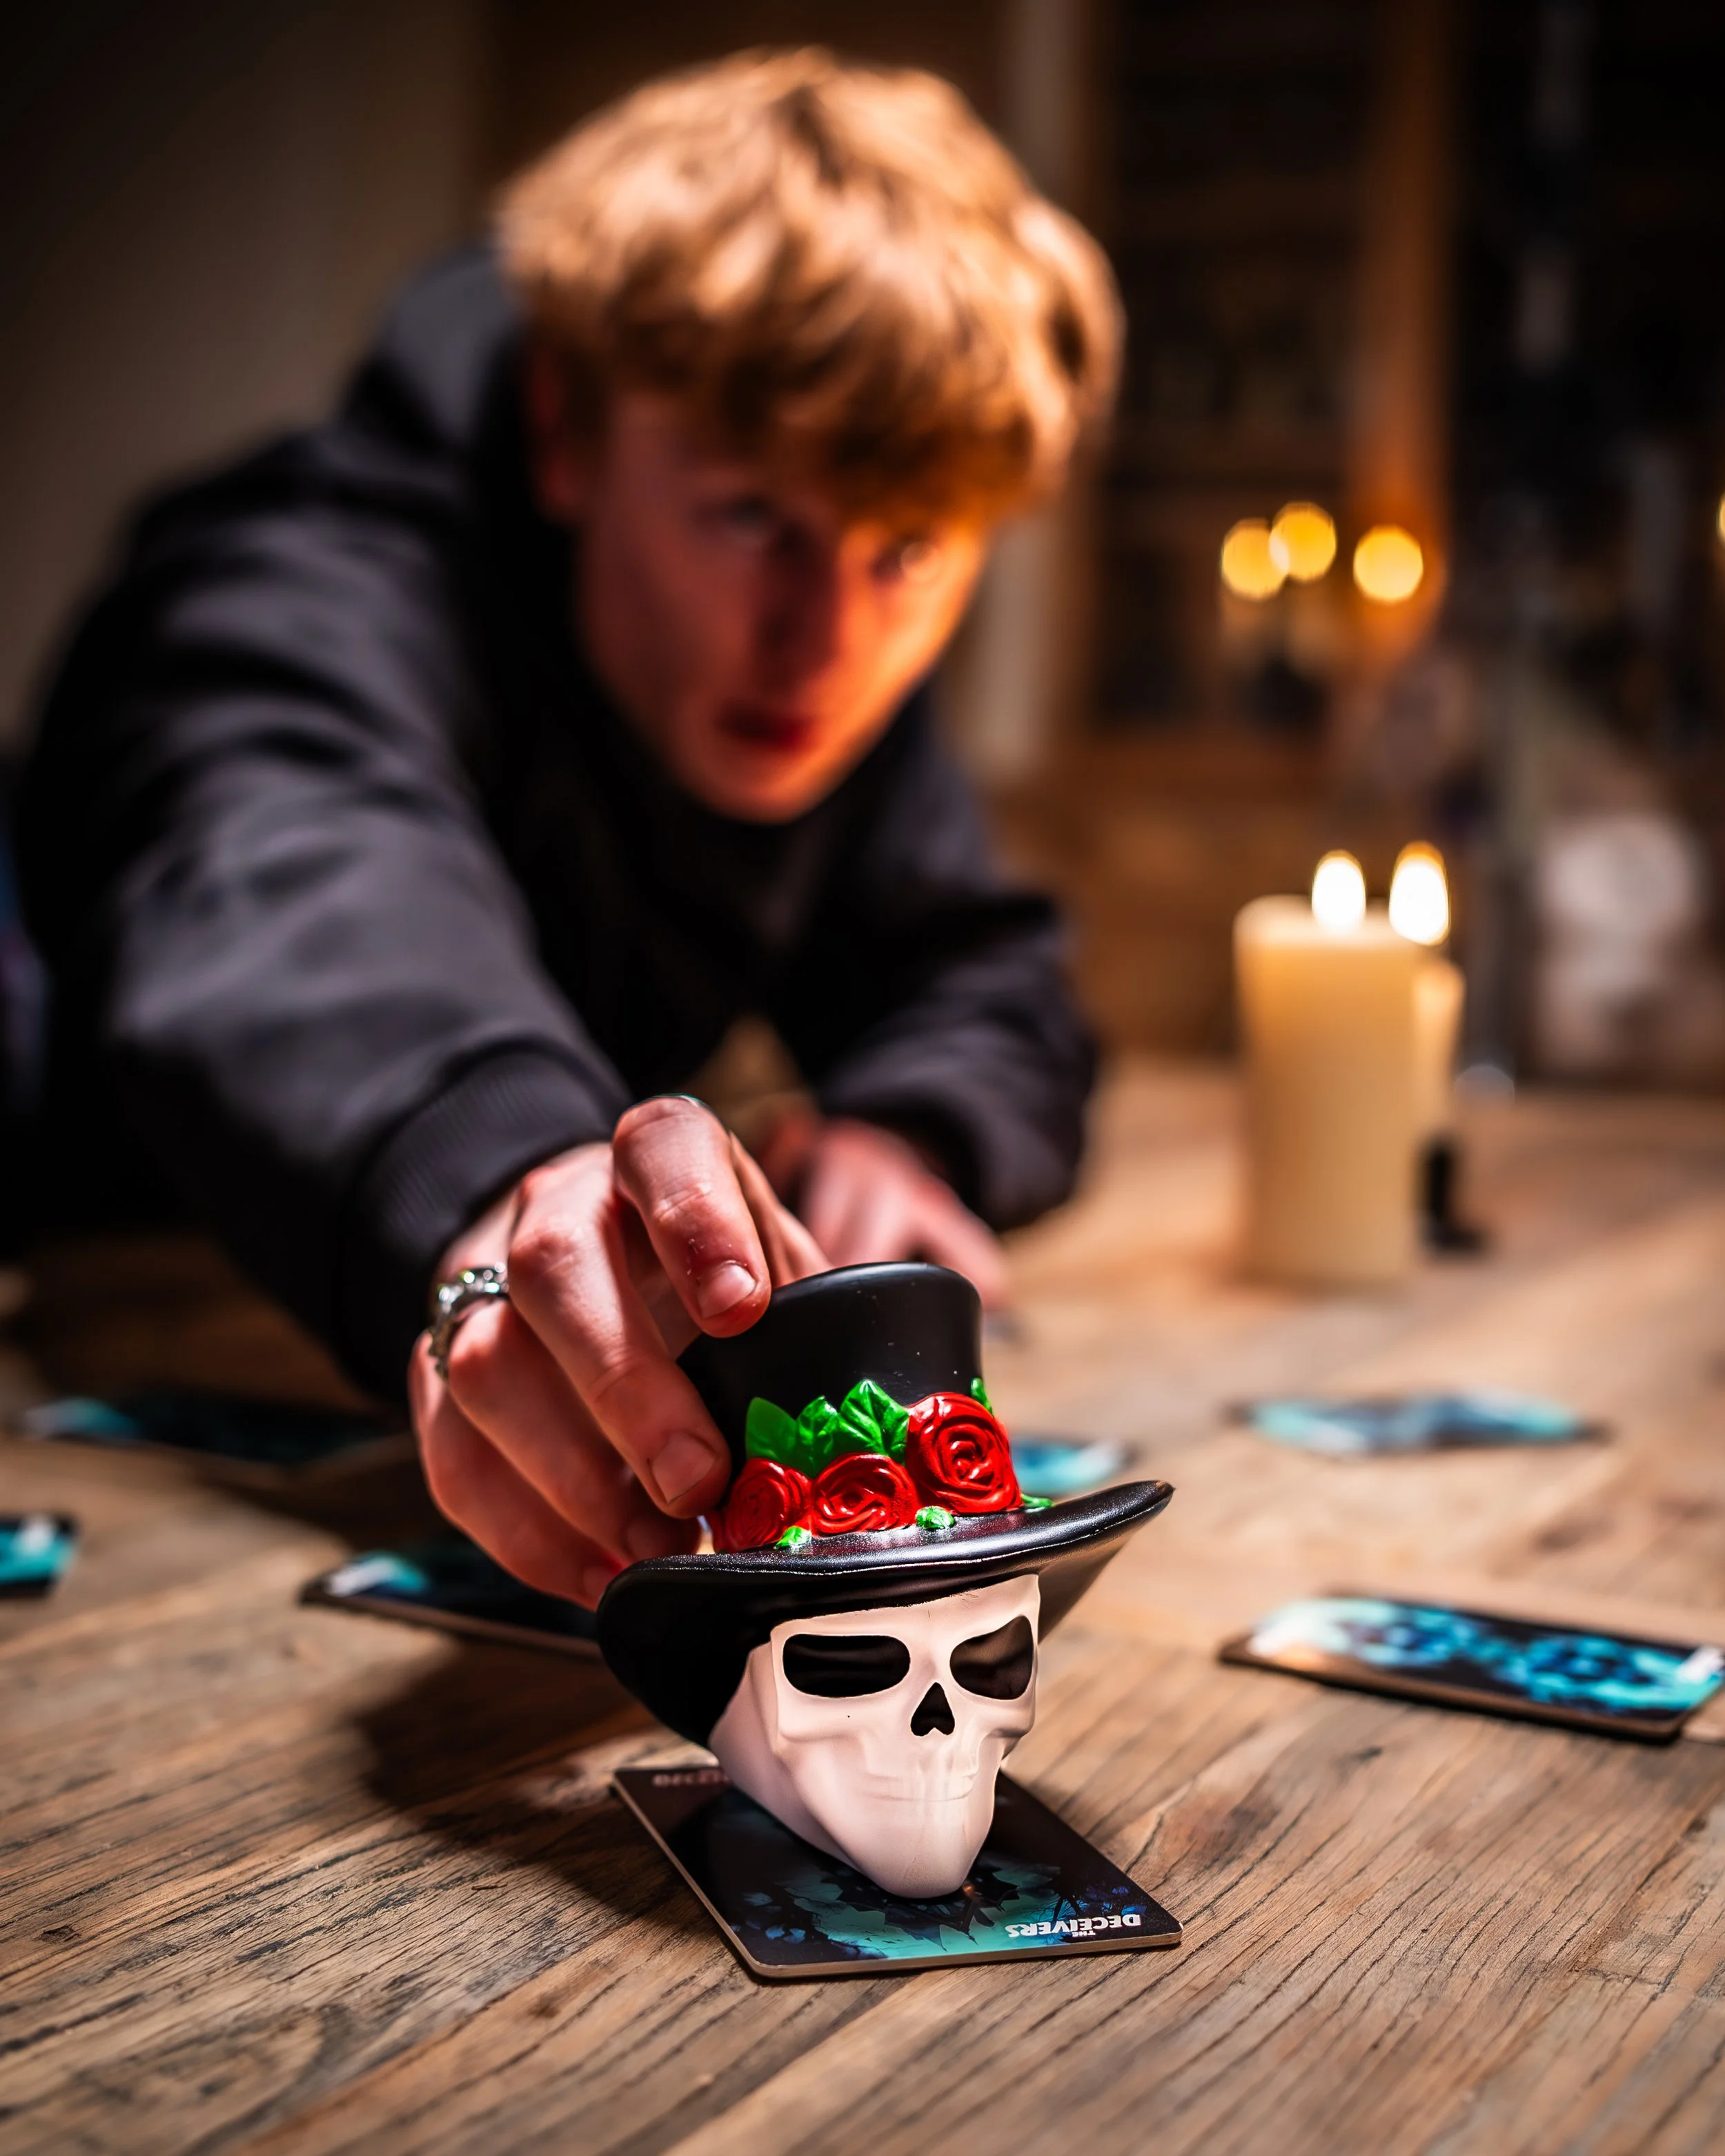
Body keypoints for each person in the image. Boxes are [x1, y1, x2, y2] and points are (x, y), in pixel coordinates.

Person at [17, 49, 1121, 1607]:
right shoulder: (289, 580)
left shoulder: (806, 681)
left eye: (910, 549)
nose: (824, 646)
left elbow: (982, 974)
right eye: (751, 515)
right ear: (564, 424)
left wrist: (913, 1121)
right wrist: (508, 1184)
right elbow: (288, 857)